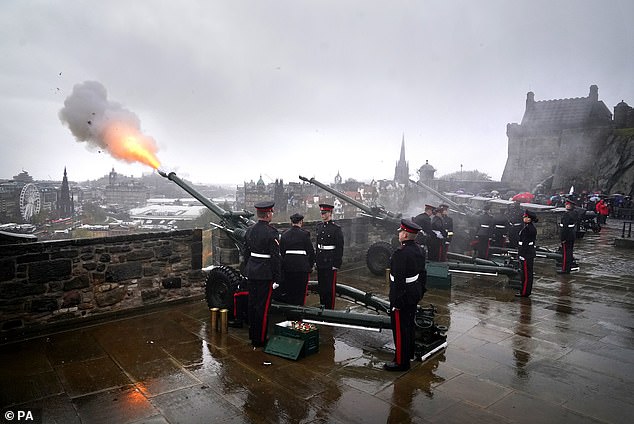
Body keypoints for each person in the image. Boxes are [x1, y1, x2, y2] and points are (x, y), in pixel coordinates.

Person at [384, 218, 426, 372]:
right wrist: (420, 290)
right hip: (413, 293)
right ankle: (408, 353)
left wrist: (396, 301)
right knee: (409, 326)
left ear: (406, 235)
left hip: (401, 296)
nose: (400, 233)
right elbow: (422, 273)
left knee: (400, 330)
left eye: (401, 231)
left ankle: (401, 362)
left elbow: (399, 280)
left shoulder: (400, 253)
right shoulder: (419, 250)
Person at [243, 200, 281, 347]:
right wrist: (277, 278)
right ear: (268, 214)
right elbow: (275, 258)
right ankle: (260, 339)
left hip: (252, 271)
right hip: (265, 274)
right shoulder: (272, 232)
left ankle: (253, 335)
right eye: (271, 212)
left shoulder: (250, 230)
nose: (272, 214)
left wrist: (248, 269)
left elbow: (246, 253)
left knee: (252, 305)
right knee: (263, 307)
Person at [279, 212, 315, 306]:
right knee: (300, 292)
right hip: (301, 268)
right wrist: (309, 266)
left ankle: (290, 312)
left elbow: (282, 252)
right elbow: (310, 252)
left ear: (292, 222)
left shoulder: (284, 234)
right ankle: (299, 313)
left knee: (290, 291)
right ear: (301, 222)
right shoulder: (305, 234)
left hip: (288, 267)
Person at [315, 203, 344, 309]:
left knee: (329, 287)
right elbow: (317, 245)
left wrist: (336, 263)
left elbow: (339, 247)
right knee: (321, 286)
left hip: (330, 261)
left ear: (330, 213)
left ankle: (329, 308)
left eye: (324, 213)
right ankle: (322, 304)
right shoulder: (319, 226)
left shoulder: (336, 229)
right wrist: (316, 259)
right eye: (321, 213)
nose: (322, 215)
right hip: (321, 260)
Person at [517, 210, 538, 297]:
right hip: (528, 252)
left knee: (526, 274)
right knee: (527, 273)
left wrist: (522, 254)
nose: (524, 218)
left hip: (526, 253)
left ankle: (524, 292)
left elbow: (525, 243)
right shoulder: (529, 227)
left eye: (525, 217)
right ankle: (525, 291)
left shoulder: (528, 229)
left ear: (529, 219)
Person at [558, 199, 578, 274]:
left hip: (567, 235)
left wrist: (563, 238)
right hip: (572, 234)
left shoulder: (567, 214)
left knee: (566, 253)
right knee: (569, 252)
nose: (566, 205)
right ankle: (568, 267)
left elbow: (565, 228)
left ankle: (565, 269)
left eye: (567, 204)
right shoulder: (574, 213)